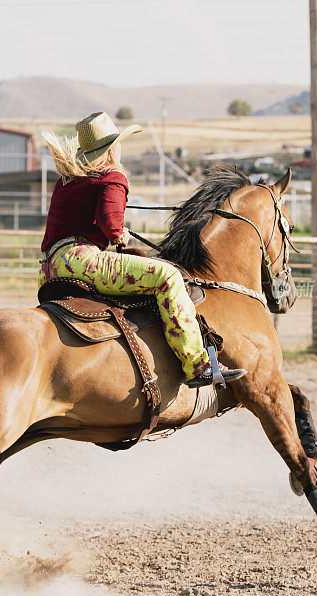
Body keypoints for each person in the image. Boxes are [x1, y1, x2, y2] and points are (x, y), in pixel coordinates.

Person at [39, 111, 246, 388]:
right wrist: (119, 233)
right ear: (113, 147)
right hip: (82, 261)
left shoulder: (68, 180)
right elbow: (110, 223)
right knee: (168, 277)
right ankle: (198, 366)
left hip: (49, 269)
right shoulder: (112, 177)